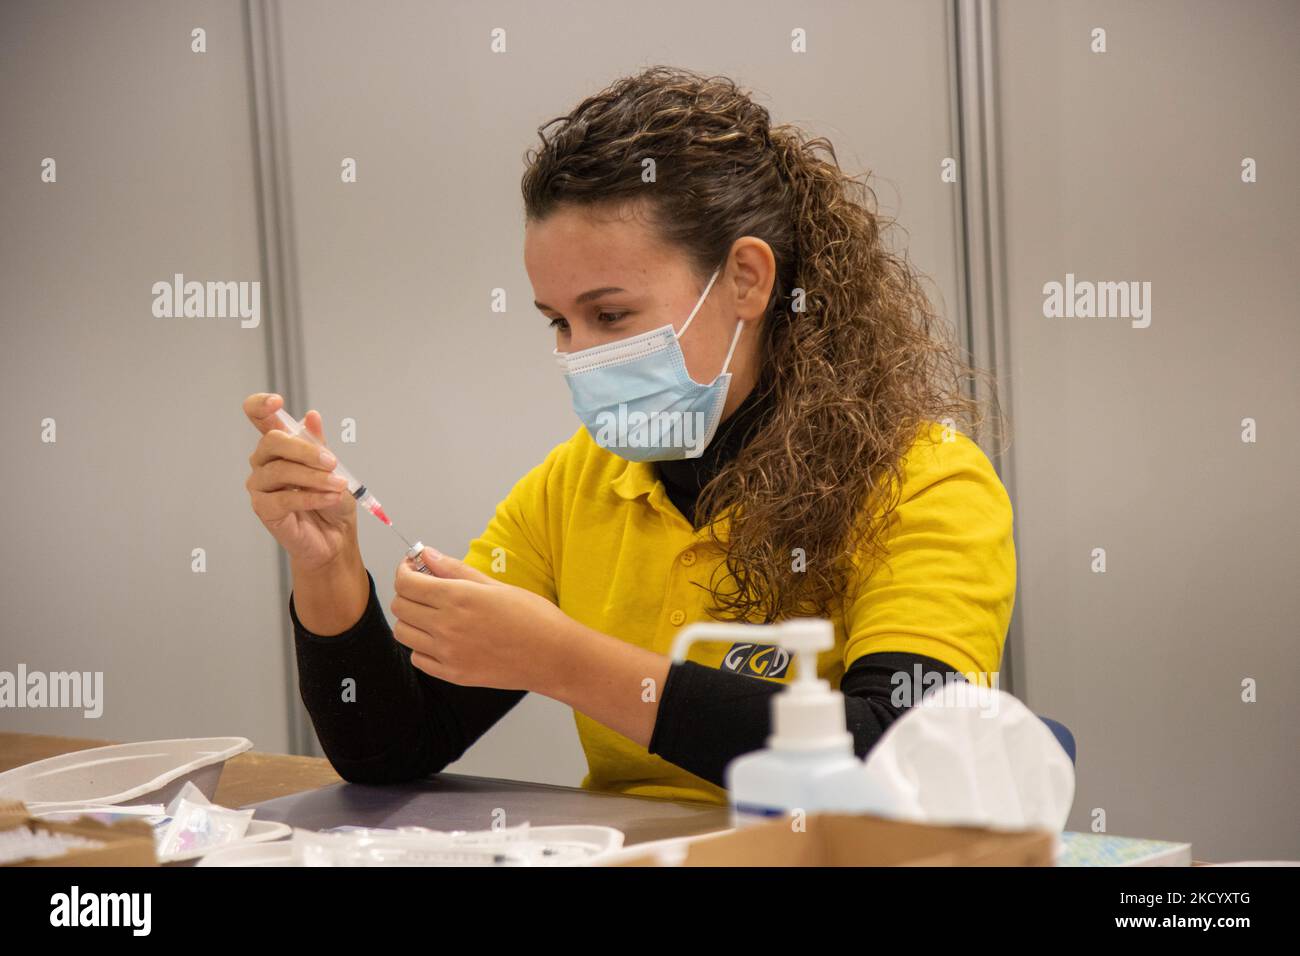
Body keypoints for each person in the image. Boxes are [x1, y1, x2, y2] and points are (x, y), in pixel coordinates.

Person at [241, 66, 1015, 806]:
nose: (577, 355)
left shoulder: (925, 480)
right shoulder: (577, 485)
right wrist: (330, 566)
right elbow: (392, 748)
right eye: (558, 322)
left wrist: (562, 660)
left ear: (746, 279)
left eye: (610, 315)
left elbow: (903, 761)